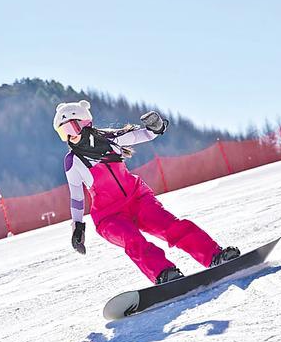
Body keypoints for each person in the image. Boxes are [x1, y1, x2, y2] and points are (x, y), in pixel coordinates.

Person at [54, 100, 240, 285]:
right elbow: (76, 196)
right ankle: (164, 273)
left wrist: (156, 128)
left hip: (138, 199)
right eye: (63, 133)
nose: (69, 137)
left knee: (171, 226)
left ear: (85, 123)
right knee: (132, 239)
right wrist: (77, 226)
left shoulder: (110, 139)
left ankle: (215, 255)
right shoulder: (73, 161)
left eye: (71, 128)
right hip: (108, 216)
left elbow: (143, 135)